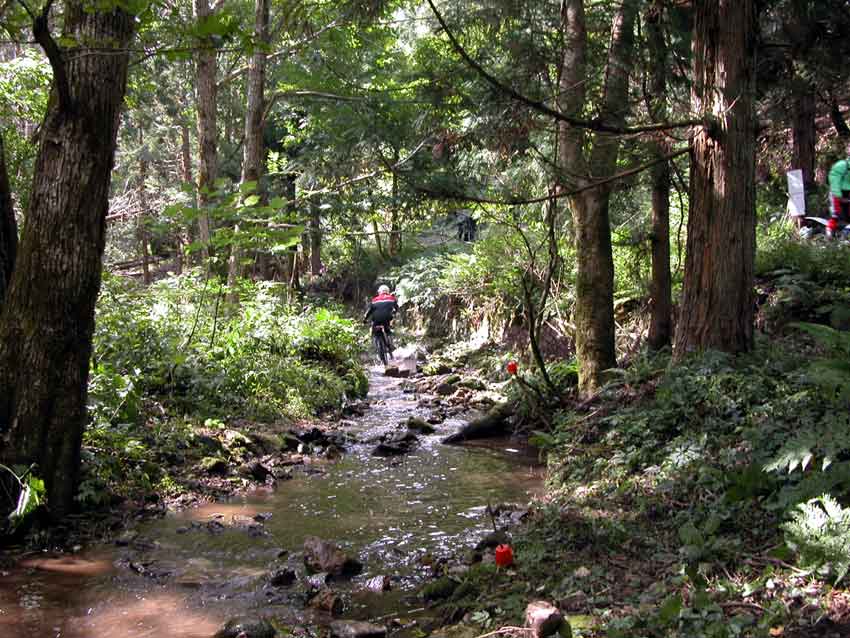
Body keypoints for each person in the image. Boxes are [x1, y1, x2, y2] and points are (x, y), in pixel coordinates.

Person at [363, 284, 398, 353]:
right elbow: (396, 308)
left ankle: (376, 346)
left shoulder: (374, 300)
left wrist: (365, 319)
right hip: (387, 318)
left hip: (376, 319)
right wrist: (394, 313)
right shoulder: (391, 298)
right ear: (387, 291)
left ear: (379, 292)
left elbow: (369, 311)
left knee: (374, 331)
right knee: (387, 329)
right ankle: (390, 342)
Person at [827, 156, 850, 233]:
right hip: (837, 193)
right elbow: (834, 178)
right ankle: (829, 235)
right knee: (835, 216)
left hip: (847, 194)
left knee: (847, 217)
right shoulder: (842, 165)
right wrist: (838, 195)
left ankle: (844, 236)